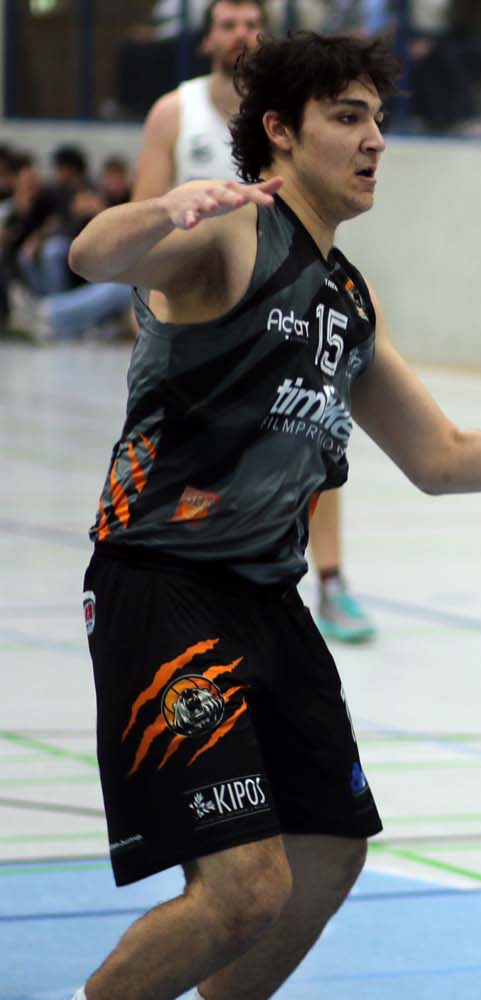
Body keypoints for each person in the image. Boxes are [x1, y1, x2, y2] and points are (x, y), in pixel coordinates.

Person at [67, 31, 481, 1000]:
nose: (374, 140)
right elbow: (90, 251)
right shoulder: (234, 233)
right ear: (279, 130)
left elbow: (444, 459)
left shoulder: (347, 299)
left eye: (380, 120)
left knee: (329, 851)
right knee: (241, 888)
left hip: (269, 600)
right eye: (348, 117)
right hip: (165, 587)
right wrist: (159, 212)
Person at [135, 0, 378, 645]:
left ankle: (330, 580)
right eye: (229, 23)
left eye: (252, 22)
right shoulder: (176, 113)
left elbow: (442, 457)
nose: (241, 32)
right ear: (208, 37)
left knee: (314, 432)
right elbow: (128, 236)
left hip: (287, 294)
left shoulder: (303, 128)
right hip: (201, 312)